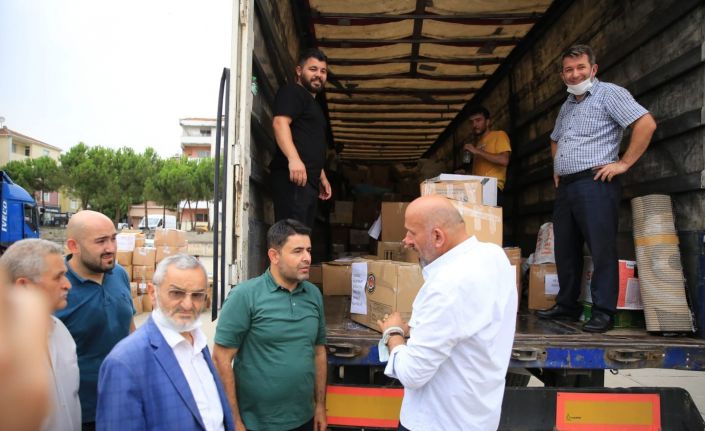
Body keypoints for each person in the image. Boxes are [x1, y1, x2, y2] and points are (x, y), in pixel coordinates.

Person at [537, 44, 657, 333]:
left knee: (601, 248)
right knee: (565, 248)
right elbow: (554, 138)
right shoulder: (567, 105)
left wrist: (623, 163)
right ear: (562, 75)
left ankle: (604, 312)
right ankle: (567, 305)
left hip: (596, 182)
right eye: (568, 70)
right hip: (567, 186)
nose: (575, 74)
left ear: (593, 69)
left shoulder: (610, 94)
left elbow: (646, 123)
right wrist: (557, 167)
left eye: (581, 67)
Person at [378, 195, 517, 431]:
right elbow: (462, 323)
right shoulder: (494, 256)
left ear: (437, 237)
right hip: (479, 419)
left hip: (436, 423)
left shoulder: (445, 286)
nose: (406, 241)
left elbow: (412, 374)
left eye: (412, 233)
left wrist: (393, 334)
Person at [213, 219, 327, 431]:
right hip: (256, 424)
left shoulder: (313, 295)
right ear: (274, 256)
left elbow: (319, 352)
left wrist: (320, 406)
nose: (307, 258)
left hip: (304, 418)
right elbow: (221, 358)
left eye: (309, 250)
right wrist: (235, 421)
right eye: (298, 251)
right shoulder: (245, 296)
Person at [97, 254, 234, 430]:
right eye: (177, 293)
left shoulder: (199, 344)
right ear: (152, 293)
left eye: (197, 295)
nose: (187, 304)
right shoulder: (124, 362)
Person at [56, 210, 136, 430]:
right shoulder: (56, 285)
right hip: (81, 412)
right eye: (101, 241)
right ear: (73, 246)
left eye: (113, 238)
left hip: (125, 401)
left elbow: (130, 329)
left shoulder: (119, 274)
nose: (110, 248)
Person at [1, 239, 81, 430]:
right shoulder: (6, 353)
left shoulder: (60, 331)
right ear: (23, 286)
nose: (68, 285)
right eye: (58, 277)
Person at [271, 48, 333, 228]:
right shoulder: (292, 92)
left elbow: (310, 142)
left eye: (323, 71)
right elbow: (279, 123)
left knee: (302, 236)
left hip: (308, 181)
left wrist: (321, 176)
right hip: (293, 179)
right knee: (291, 236)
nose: (318, 75)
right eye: (313, 69)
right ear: (299, 71)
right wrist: (293, 159)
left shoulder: (313, 105)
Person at [463, 105, 512, 196]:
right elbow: (480, 173)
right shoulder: (478, 144)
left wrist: (477, 151)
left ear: (488, 122)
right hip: (478, 188)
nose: (474, 125)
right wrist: (465, 174)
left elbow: (504, 160)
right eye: (471, 122)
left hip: (492, 187)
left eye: (478, 120)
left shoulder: (499, 135)